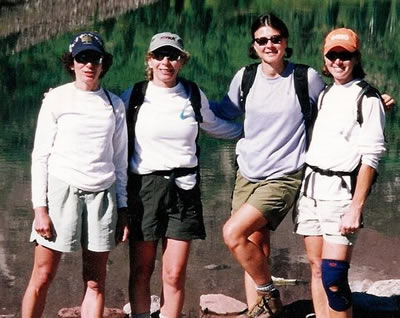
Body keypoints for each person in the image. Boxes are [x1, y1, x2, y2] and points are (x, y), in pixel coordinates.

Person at [120, 32, 242, 318]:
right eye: (159, 55)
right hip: (144, 189)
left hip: (184, 189)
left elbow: (214, 125)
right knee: (141, 270)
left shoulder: (192, 93)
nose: (166, 62)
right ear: (149, 60)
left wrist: (252, 134)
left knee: (174, 274)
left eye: (173, 56)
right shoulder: (134, 96)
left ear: (182, 61)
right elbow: (106, 126)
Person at [211, 13, 325, 317]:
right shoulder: (245, 77)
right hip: (246, 173)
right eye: (262, 40)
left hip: (284, 175)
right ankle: (260, 313)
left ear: (285, 42)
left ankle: (267, 291)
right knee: (254, 246)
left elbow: (334, 105)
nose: (269, 44)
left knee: (233, 233)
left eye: (275, 38)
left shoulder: (306, 78)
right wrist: (185, 100)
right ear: (254, 45)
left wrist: (372, 99)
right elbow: (224, 111)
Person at [21, 32, 129, 318]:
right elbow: (40, 156)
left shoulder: (114, 104)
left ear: (103, 62)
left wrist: (122, 207)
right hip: (62, 193)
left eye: (94, 57)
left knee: (95, 281)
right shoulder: (56, 99)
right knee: (42, 275)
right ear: (72, 63)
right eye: (82, 58)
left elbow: (119, 161)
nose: (88, 64)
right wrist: (40, 209)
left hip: (102, 195)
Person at [294, 28, 386, 318]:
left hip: (341, 195)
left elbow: (371, 157)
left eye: (344, 55)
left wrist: (355, 208)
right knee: (316, 268)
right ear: (324, 58)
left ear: (355, 58)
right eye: (332, 55)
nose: (338, 61)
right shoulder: (325, 94)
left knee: (334, 278)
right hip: (311, 190)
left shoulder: (368, 99)